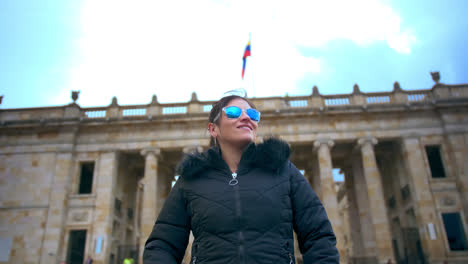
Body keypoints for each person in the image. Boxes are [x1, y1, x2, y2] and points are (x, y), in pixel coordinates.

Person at [143, 95, 339, 263]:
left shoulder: (283, 171)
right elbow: (163, 244)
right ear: (213, 129)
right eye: (235, 112)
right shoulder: (192, 178)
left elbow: (319, 236)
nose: (246, 117)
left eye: (253, 114)